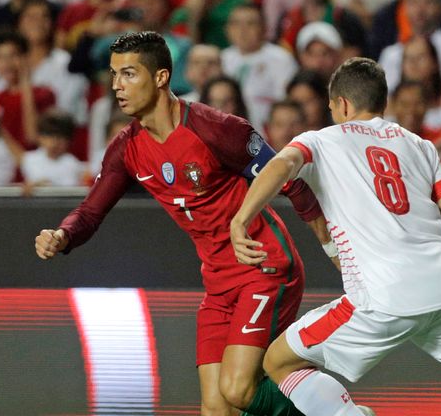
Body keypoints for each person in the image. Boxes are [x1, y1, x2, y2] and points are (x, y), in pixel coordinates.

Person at [230, 57, 441, 416]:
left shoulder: (320, 141)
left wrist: (241, 219)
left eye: (332, 106)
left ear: (343, 105)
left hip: (381, 296)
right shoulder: (421, 146)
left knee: (280, 362)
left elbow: (282, 165)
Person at [33, 31, 329, 416]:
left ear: (160, 77)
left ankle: (332, 411)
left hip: (264, 266)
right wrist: (63, 234)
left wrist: (332, 246)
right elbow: (89, 213)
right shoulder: (127, 148)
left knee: (238, 390)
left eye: (128, 74)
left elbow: (290, 181)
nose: (116, 87)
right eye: (113, 75)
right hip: (218, 282)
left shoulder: (215, 129)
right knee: (215, 409)